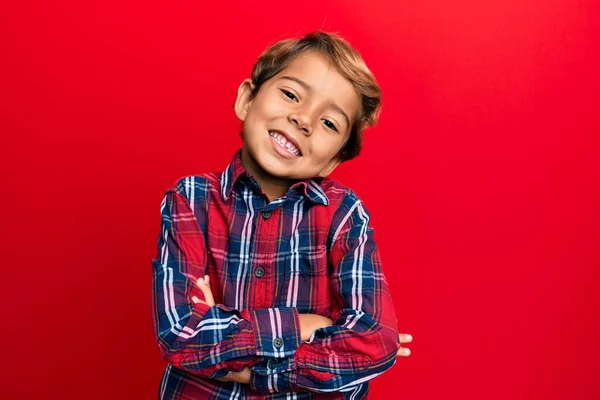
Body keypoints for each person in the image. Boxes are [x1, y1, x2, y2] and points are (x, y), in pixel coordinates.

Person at [151, 30, 413, 399]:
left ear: (334, 160)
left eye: (329, 123)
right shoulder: (190, 200)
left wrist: (235, 355)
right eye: (291, 94)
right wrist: (309, 325)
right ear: (247, 99)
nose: (304, 119)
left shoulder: (344, 215)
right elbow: (180, 336)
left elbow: (373, 342)